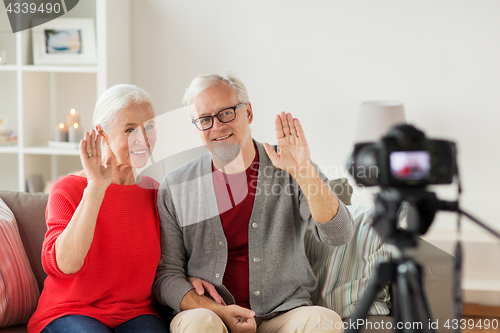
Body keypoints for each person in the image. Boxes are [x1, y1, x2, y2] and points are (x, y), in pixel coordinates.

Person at [154, 73, 355, 333]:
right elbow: (166, 275)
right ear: (196, 128)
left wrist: (304, 173)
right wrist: (219, 312)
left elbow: (340, 234)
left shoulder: (290, 166)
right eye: (205, 120)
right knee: (197, 324)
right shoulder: (175, 186)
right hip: (210, 315)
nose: (217, 127)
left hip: (284, 313)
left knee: (324, 322)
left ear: (248, 112)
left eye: (227, 113)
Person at [27, 84, 167, 333]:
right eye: (130, 129)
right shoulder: (68, 189)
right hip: (69, 311)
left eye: (150, 127)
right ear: (102, 134)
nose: (143, 139)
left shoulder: (155, 192)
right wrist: (96, 188)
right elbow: (65, 265)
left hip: (136, 313)